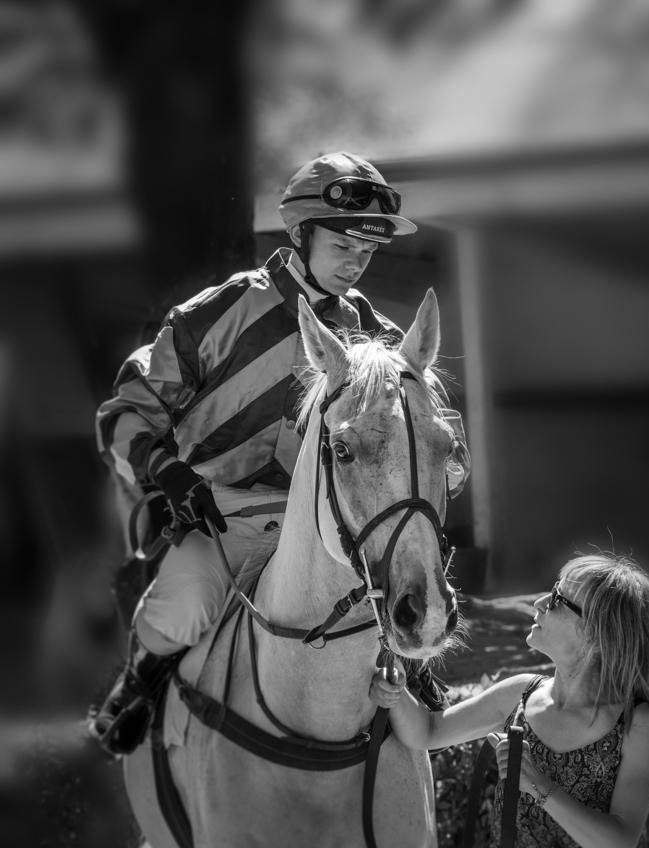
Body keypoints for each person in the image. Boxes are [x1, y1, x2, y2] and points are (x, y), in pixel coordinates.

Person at [88, 151, 470, 755]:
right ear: (300, 233)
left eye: (368, 250)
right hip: (215, 515)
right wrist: (169, 474)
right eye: (342, 245)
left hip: (327, 527)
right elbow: (124, 414)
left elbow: (433, 446)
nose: (356, 262)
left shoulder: (381, 342)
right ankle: (138, 684)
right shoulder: (217, 314)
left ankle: (414, 691)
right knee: (187, 606)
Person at [371, 553, 649, 848]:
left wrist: (537, 784)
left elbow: (619, 846)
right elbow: (428, 732)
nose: (538, 603)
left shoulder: (638, 722)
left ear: (595, 634)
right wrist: (393, 686)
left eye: (557, 599)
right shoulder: (520, 693)